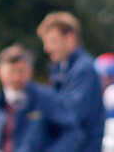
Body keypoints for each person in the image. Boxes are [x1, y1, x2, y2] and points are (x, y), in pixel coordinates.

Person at [0, 44, 81, 152]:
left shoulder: (46, 98)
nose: (16, 78)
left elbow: (71, 134)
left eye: (21, 71)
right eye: (11, 72)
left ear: (30, 70)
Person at [37, 11, 105, 151]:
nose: (47, 48)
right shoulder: (63, 68)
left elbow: (71, 114)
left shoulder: (83, 70)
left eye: (53, 41)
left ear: (70, 39)